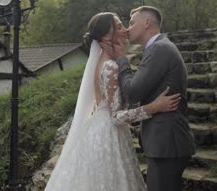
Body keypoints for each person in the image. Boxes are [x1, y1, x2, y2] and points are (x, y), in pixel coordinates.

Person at [44, 12, 182, 191]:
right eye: (119, 27)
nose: (125, 30)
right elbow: (116, 117)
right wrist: (153, 107)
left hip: (100, 128)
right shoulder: (110, 66)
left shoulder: (102, 62)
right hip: (109, 134)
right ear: (106, 36)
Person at [102, 6, 196, 191]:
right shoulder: (158, 47)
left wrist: (122, 59)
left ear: (147, 23)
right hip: (166, 144)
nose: (128, 29)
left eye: (131, 23)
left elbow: (132, 92)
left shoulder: (159, 48)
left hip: (167, 144)